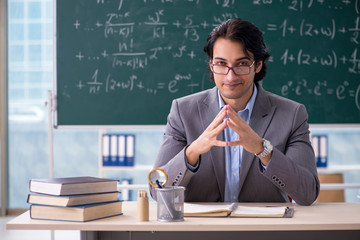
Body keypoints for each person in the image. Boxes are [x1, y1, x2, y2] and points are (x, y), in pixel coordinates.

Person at [150, 18, 319, 206]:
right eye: (221, 64)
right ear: (211, 65)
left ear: (258, 65)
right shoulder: (182, 111)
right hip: (201, 231)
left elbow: (307, 193)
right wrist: (193, 151)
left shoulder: (292, 114)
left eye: (241, 64)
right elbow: (158, 192)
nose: (230, 76)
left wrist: (263, 150)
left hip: (263, 231)